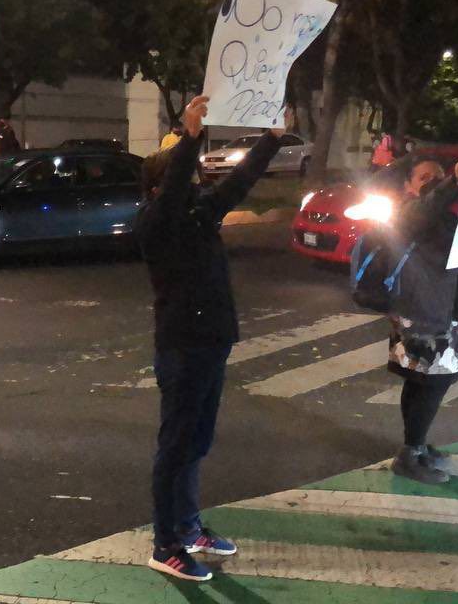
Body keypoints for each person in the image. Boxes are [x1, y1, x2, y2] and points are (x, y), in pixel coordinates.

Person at [137, 95, 283, 582]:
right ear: (162, 187)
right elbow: (177, 184)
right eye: (191, 178)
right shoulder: (156, 224)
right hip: (182, 348)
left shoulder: (200, 216)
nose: (200, 185)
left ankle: (188, 525)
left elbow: (238, 184)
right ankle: (165, 544)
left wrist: (272, 140)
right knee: (175, 447)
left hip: (212, 343)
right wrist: (190, 136)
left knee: (197, 443)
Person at [386, 155, 458, 484]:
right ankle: (410, 454)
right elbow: (423, 214)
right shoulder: (407, 210)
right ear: (408, 185)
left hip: (444, 309)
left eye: (437, 177)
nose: (433, 183)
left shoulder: (440, 213)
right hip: (424, 312)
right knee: (432, 382)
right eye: (425, 178)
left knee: (422, 382)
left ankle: (416, 446)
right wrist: (451, 180)